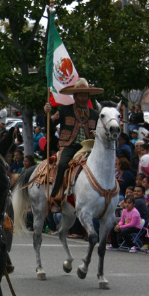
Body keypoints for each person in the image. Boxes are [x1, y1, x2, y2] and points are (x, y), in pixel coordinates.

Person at [44, 78, 103, 212]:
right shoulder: (64, 110)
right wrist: (47, 114)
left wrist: (96, 133)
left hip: (89, 146)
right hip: (69, 145)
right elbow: (50, 124)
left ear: (88, 96)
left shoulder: (94, 114)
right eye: (80, 95)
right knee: (62, 164)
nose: (83, 98)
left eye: (85, 95)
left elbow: (100, 131)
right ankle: (55, 198)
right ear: (75, 96)